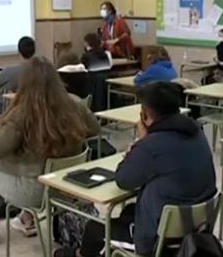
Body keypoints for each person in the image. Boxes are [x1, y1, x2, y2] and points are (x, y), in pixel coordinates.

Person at [55, 82, 216, 257]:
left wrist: (141, 142)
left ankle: (78, 254)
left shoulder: (151, 145)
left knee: (94, 230)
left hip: (157, 242)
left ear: (146, 116)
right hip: (195, 228)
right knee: (127, 212)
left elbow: (123, 179)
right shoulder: (197, 134)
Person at [0, 56, 100, 242]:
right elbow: (95, 129)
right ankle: (26, 218)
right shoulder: (73, 103)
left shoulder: (22, 113)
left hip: (36, 192)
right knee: (33, 167)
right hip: (69, 185)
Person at [0, 36, 35, 114]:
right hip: (30, 108)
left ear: (19, 51)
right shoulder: (40, 71)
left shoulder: (8, 72)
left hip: (8, 108)